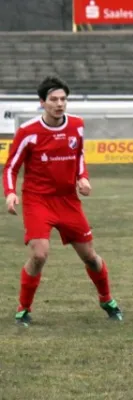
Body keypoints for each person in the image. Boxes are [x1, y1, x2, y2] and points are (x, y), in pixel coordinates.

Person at [2, 76, 123, 326]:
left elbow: (79, 156)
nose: (60, 104)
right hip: (38, 201)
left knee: (89, 256)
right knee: (39, 254)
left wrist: (83, 177)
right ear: (42, 103)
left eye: (63, 99)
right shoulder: (28, 132)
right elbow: (11, 167)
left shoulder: (77, 125)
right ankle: (23, 309)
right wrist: (11, 192)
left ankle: (106, 299)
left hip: (68, 201)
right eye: (54, 99)